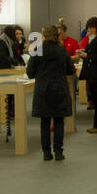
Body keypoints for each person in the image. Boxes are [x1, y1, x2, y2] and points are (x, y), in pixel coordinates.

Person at [26, 24, 73, 162]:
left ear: (43, 36)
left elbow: (30, 73)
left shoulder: (37, 50)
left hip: (43, 90)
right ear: (57, 36)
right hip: (59, 89)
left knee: (44, 122)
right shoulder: (62, 51)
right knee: (59, 121)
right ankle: (58, 152)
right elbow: (70, 70)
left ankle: (46, 153)